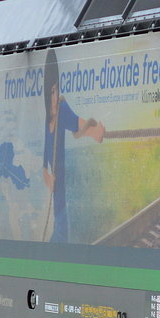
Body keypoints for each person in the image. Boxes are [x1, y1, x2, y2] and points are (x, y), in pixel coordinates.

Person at [42, 49, 105, 242]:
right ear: (46, 94)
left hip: (65, 184)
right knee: (60, 227)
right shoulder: (48, 121)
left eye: (57, 90)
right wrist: (47, 178)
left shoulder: (61, 109)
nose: (55, 96)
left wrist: (95, 131)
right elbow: (45, 158)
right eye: (51, 92)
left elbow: (78, 124)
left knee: (61, 227)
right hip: (58, 187)